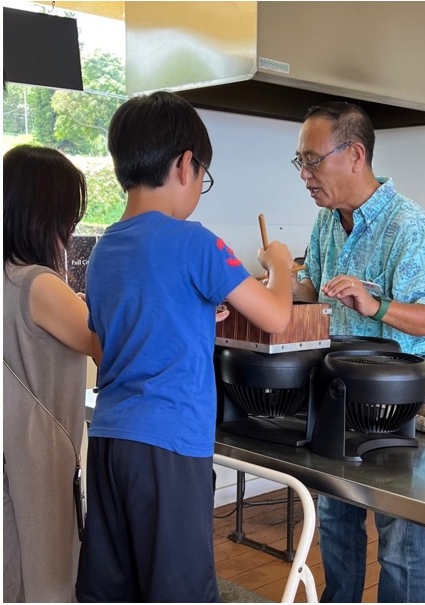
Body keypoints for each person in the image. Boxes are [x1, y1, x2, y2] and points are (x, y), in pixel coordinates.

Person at [75, 91, 295, 602]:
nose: (200, 188)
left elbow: (128, 333)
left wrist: (199, 311)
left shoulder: (104, 248)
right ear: (184, 165)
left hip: (109, 441)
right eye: (203, 177)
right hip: (169, 446)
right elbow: (277, 316)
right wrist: (280, 264)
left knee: (116, 587)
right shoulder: (196, 241)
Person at [291, 101, 425, 603]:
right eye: (299, 162)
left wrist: (376, 303)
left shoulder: (409, 225)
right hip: (337, 389)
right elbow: (311, 288)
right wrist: (270, 284)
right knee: (337, 525)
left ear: (355, 154)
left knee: (399, 544)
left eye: (312, 160)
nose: (304, 174)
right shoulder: (326, 222)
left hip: (400, 398)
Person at [1, 144, 101, 602]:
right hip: (38, 454)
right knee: (48, 570)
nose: (72, 227)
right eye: (69, 213)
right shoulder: (39, 283)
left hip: (11, 446)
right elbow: (109, 348)